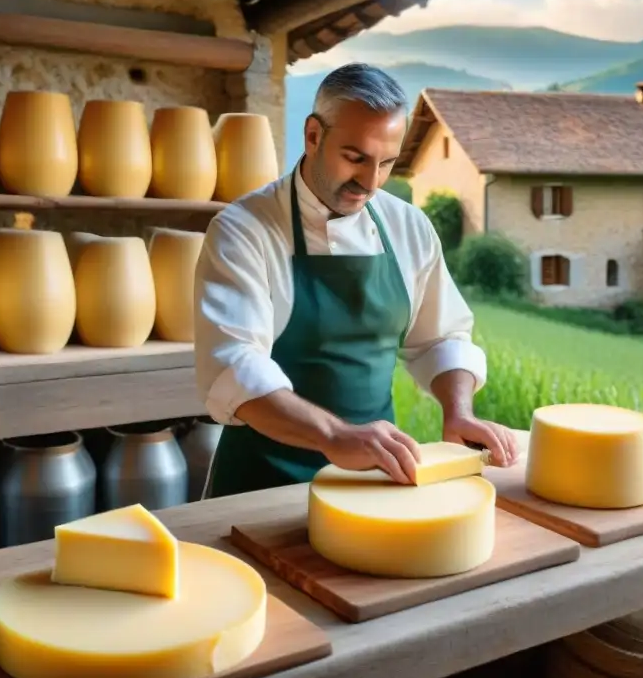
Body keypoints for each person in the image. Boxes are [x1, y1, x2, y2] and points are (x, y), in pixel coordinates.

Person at [193, 63, 519, 499]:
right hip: (261, 487)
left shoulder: (409, 227)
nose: (369, 182)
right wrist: (333, 435)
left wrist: (458, 411)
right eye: (355, 158)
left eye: (387, 163)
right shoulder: (244, 229)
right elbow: (234, 365)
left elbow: (441, 338)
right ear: (313, 136)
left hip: (373, 483)